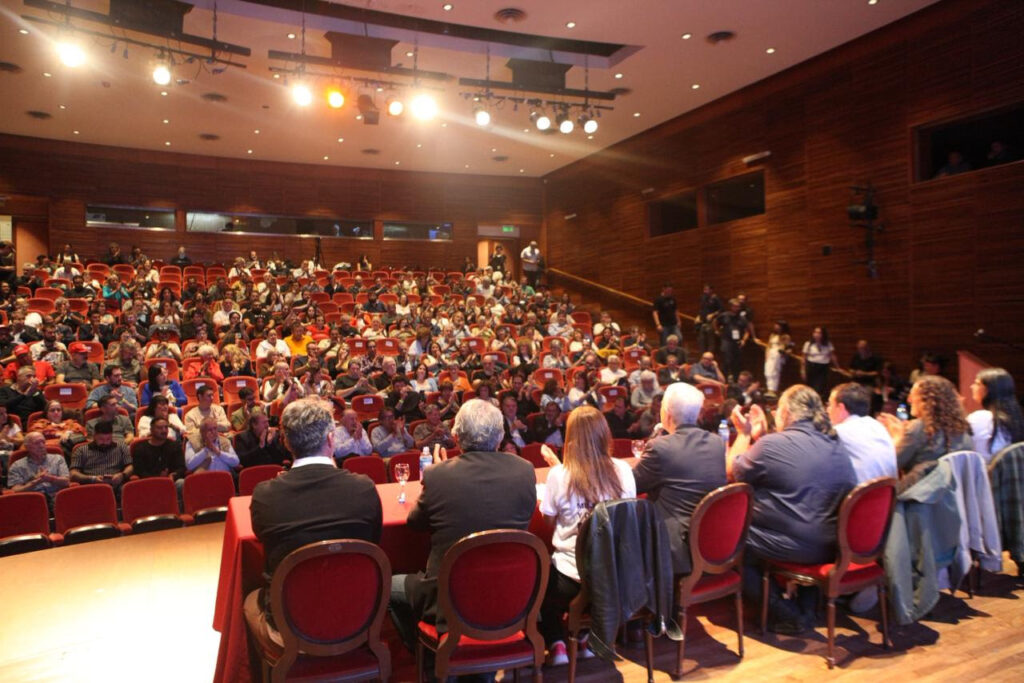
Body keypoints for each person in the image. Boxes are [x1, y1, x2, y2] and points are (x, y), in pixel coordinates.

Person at [388, 399, 537, 655]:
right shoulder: (525, 470)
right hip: (511, 592)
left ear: (455, 436)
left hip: (448, 600)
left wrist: (431, 480)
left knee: (387, 585)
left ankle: (429, 655)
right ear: (501, 436)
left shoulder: (438, 475)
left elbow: (414, 523)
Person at [246, 397, 383, 637]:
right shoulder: (364, 488)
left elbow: (262, 539)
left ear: (286, 442)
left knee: (249, 599)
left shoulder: (265, 495)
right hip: (358, 612)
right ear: (331, 439)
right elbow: (374, 540)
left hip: (290, 621)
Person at [730, 385, 856, 633]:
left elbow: (733, 471)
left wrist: (744, 435)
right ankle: (807, 608)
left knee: (732, 541)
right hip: (833, 544)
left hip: (794, 545)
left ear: (786, 412)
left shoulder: (772, 445)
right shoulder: (835, 443)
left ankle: (785, 612)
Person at [537, 406, 636, 665]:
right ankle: (589, 636)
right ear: (605, 434)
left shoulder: (559, 475)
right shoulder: (623, 470)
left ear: (570, 438)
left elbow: (548, 523)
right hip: (615, 575)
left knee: (538, 574)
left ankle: (556, 642)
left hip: (570, 578)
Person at [632, 382, 727, 574]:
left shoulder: (660, 448)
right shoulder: (717, 443)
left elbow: (631, 485)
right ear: (698, 413)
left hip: (675, 549)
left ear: (666, 413)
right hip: (713, 542)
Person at [878, 374, 973, 486]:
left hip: (920, 498)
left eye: (913, 395)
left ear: (927, 401)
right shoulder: (963, 428)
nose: (909, 400)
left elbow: (888, 466)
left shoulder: (918, 428)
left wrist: (897, 437)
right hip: (954, 497)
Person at [827, 383, 898, 483]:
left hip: (860, 497)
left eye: (830, 404)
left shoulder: (839, 432)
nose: (827, 410)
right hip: (887, 496)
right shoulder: (878, 426)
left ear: (841, 408)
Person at [966, 368, 1024, 463]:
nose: (971, 387)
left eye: (977, 384)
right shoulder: (1017, 417)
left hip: (987, 472)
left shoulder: (980, 418)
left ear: (988, 389)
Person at [5, 431, 69, 509]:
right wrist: (35, 482)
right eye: (37, 443)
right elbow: (16, 491)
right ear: (27, 446)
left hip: (57, 498)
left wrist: (50, 478)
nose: (41, 446)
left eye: (43, 442)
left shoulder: (57, 459)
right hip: (30, 502)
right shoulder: (17, 465)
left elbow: (66, 482)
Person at [69, 420, 133, 491]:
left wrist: (122, 475)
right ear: (94, 436)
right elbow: (73, 474)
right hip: (91, 486)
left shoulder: (121, 447)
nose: (105, 442)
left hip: (116, 484)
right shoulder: (81, 450)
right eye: (101, 439)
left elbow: (130, 466)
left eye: (108, 439)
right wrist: (92, 478)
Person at [131, 416, 186, 486]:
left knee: (181, 483)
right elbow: (138, 471)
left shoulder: (174, 446)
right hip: (147, 483)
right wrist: (158, 478)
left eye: (166, 427)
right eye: (160, 428)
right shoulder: (141, 448)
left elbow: (181, 467)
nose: (164, 430)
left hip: (170, 482)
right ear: (151, 430)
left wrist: (173, 475)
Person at [714, 298, 751, 382]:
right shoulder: (724, 315)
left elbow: (746, 331)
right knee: (727, 360)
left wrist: (743, 340)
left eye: (738, 306)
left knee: (737, 362)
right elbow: (715, 322)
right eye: (735, 306)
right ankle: (725, 379)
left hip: (737, 342)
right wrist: (717, 331)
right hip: (727, 340)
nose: (737, 308)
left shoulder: (742, 318)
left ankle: (735, 380)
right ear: (731, 307)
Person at [801, 326, 840, 399]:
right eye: (815, 332)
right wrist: (802, 370)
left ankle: (816, 401)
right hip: (811, 366)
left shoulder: (828, 344)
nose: (816, 334)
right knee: (810, 387)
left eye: (819, 333)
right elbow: (804, 358)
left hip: (823, 368)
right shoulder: (808, 344)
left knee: (819, 387)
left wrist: (838, 367)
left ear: (823, 334)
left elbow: (832, 356)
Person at [763, 321, 792, 394]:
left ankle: (773, 390)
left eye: (778, 325)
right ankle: (769, 388)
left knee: (775, 372)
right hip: (770, 354)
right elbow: (768, 346)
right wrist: (766, 356)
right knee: (768, 372)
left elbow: (787, 347)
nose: (776, 327)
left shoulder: (786, 336)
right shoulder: (772, 335)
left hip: (778, 355)